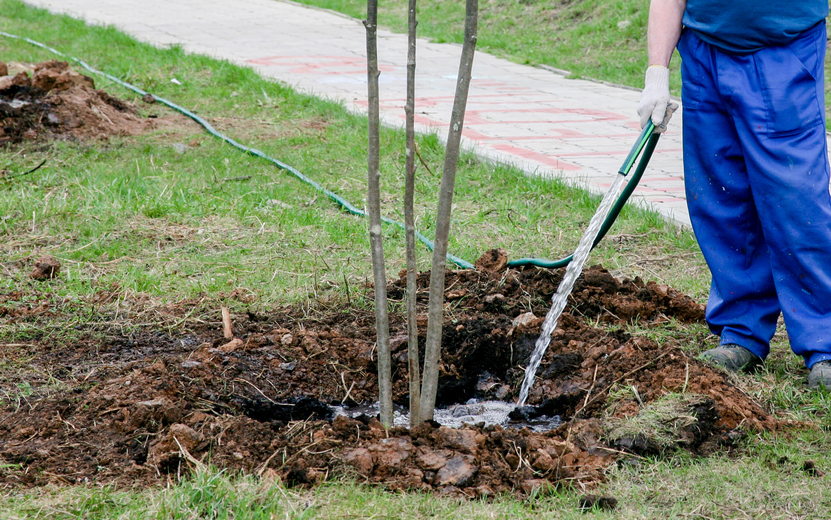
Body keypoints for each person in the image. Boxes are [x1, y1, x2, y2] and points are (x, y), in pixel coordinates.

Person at [637, 0, 831, 388]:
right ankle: (741, 331)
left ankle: (824, 342)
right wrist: (656, 73)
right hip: (704, 51)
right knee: (721, 197)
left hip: (782, 48)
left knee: (796, 200)